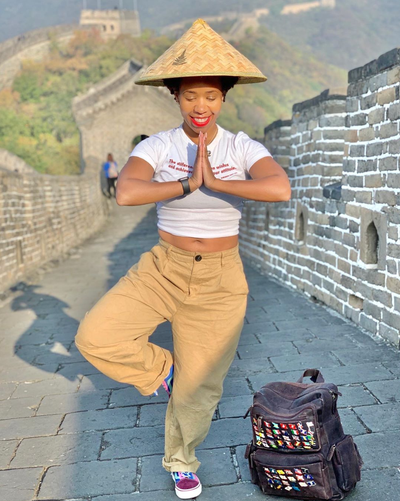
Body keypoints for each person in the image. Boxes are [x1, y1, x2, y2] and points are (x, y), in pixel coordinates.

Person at [75, 19, 291, 500]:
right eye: (190, 95)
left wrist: (216, 182)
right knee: (96, 336)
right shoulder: (159, 146)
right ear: (174, 96)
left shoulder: (241, 147)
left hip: (221, 279)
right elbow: (127, 192)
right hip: (163, 267)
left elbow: (279, 188)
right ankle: (164, 371)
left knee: (200, 392)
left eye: (211, 95)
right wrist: (185, 184)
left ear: (224, 98)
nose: (200, 106)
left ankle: (181, 460)